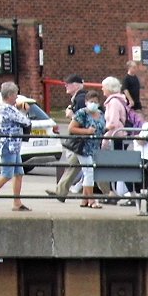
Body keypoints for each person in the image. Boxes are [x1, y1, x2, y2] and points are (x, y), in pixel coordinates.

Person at [0, 82, 33, 211]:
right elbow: (26, 122)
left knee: (19, 173)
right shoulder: (7, 109)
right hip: (8, 146)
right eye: (15, 95)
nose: (17, 97)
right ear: (10, 95)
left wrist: (18, 108)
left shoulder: (3, 107)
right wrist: (25, 111)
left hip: (13, 146)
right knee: (7, 174)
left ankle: (17, 202)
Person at [51, 74, 89, 202]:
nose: (66, 85)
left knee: (83, 167)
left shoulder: (81, 99)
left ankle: (109, 194)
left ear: (77, 85)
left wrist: (72, 115)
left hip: (82, 140)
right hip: (82, 140)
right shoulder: (78, 98)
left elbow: (83, 120)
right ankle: (60, 192)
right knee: (75, 166)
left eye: (69, 83)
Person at [100, 76, 137, 204]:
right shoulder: (119, 100)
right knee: (116, 165)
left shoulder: (113, 102)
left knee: (119, 165)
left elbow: (113, 122)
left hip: (116, 136)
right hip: (120, 136)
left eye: (103, 86)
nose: (102, 89)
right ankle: (113, 192)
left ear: (109, 88)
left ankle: (131, 195)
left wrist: (104, 132)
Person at [69, 93, 106, 208]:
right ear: (86, 102)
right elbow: (72, 128)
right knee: (89, 172)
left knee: (88, 173)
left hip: (95, 147)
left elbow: (102, 128)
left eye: (95, 101)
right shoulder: (82, 113)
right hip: (83, 147)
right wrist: (87, 131)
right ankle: (92, 200)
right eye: (91, 101)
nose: (93, 104)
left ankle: (84, 200)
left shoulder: (100, 114)